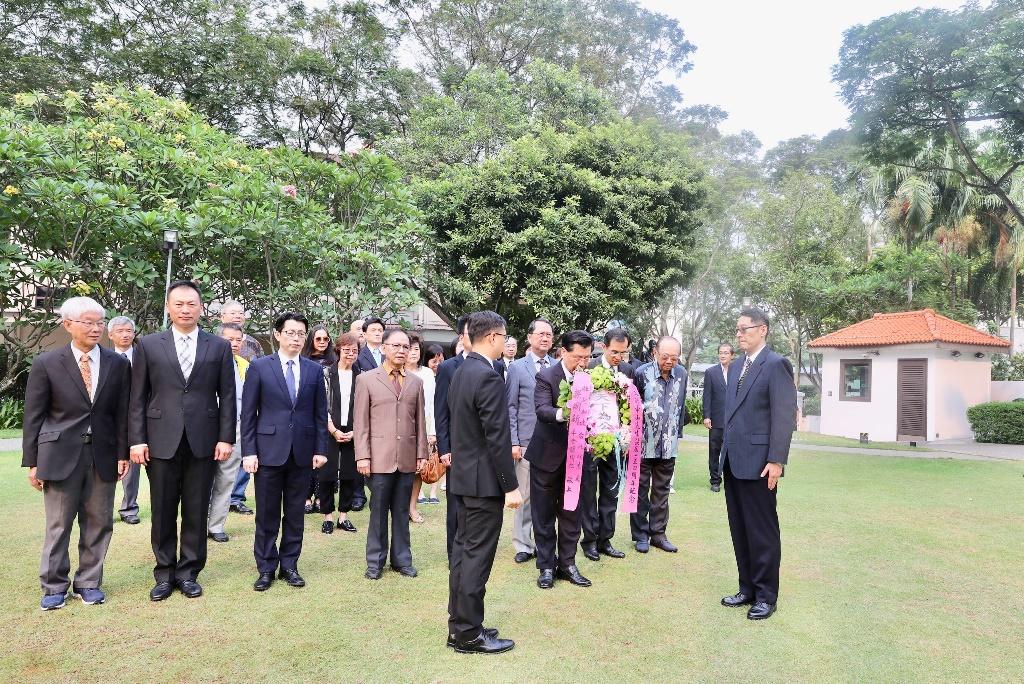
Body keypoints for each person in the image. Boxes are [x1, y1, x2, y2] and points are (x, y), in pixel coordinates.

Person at [23, 297, 131, 610]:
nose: (96, 328)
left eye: (100, 322)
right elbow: (34, 416)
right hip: (58, 455)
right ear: (68, 324)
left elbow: (121, 413)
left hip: (104, 454)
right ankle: (54, 586)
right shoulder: (47, 363)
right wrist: (32, 461)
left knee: (99, 521)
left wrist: (122, 452)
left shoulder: (117, 364)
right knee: (58, 524)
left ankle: (89, 583)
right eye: (88, 322)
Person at [130, 281, 236, 602]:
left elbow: (228, 396)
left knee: (195, 509)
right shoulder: (148, 345)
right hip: (160, 439)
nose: (185, 309)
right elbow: (137, 397)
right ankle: (164, 573)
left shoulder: (217, 346)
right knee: (162, 509)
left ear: (201, 308)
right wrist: (137, 440)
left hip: (203, 440)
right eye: (179, 304)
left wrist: (225, 437)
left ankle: (188, 572)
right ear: (168, 308)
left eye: (191, 304)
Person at [447, 311, 522, 654]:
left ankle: (460, 625)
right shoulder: (487, 376)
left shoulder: (461, 370)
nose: (505, 343)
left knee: (464, 554)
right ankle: (468, 634)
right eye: (504, 337)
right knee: (476, 557)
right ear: (492, 337)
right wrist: (510, 485)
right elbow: (496, 436)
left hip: (463, 478)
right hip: (482, 483)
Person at [241, 312, 329, 591]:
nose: (296, 338)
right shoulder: (260, 368)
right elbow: (248, 414)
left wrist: (321, 448)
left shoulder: (314, 370)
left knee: (295, 512)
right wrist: (249, 452)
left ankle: (289, 565)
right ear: (278, 335)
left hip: (302, 452)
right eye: (290, 332)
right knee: (266, 513)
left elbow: (319, 414)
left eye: (301, 333)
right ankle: (266, 567)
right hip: (268, 452)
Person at [720, 308, 796, 621]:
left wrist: (776, 460)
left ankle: (766, 595)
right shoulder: (737, 365)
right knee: (739, 528)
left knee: (762, 530)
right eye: (736, 330)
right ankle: (747, 587)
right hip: (734, 461)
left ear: (762, 330)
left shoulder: (776, 365)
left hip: (760, 464)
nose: (739, 335)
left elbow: (783, 416)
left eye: (744, 329)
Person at [354, 329, 428, 580]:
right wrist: (362, 456)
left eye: (406, 347)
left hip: (407, 458)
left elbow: (420, 422)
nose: (401, 351)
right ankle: (375, 562)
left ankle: (402, 560)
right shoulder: (366, 379)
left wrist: (422, 454)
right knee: (377, 513)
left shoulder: (416, 383)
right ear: (383, 348)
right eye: (396, 346)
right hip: (378, 459)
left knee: (401, 511)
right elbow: (361, 422)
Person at [525, 330, 594, 590]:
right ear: (563, 352)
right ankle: (545, 566)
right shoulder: (546, 376)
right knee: (542, 515)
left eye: (587, 357)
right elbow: (542, 410)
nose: (583, 362)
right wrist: (568, 412)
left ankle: (568, 563)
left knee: (572, 514)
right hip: (546, 457)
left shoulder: (592, 378)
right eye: (578, 356)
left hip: (578, 460)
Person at [580, 327, 634, 561]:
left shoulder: (627, 370)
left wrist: (627, 436)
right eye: (614, 352)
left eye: (623, 353)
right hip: (591, 442)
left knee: (611, 491)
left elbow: (631, 407)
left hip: (616, 441)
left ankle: (606, 538)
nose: (618, 357)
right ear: (603, 346)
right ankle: (589, 540)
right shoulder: (588, 368)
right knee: (589, 492)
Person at [630, 336, 688, 554]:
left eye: (674, 358)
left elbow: (681, 407)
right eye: (665, 357)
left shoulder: (682, 374)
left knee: (662, 491)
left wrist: (677, 435)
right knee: (640, 490)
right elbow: (631, 407)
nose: (669, 362)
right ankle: (640, 535)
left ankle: (658, 534)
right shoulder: (641, 373)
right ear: (655, 353)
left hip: (669, 444)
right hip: (643, 444)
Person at [504, 318, 555, 564]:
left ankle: (545, 540)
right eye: (541, 334)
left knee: (548, 495)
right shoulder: (517, 368)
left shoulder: (558, 366)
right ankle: (523, 544)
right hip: (526, 440)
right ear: (529, 337)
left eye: (549, 334)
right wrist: (513, 441)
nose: (545, 338)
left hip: (553, 441)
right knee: (524, 495)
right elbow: (510, 406)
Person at [206, 323, 249, 543]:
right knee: (202, 480)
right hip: (207, 428)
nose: (234, 344)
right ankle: (197, 523)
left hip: (236, 428)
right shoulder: (207, 362)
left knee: (226, 478)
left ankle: (216, 525)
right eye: (229, 339)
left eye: (238, 339)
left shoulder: (244, 364)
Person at [435, 314, 472, 558]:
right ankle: (454, 553)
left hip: (483, 450)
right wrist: (444, 448)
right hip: (456, 448)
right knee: (456, 505)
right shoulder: (449, 367)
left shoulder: (496, 365)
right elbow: (441, 411)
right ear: (462, 337)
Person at [221, 301, 262, 515]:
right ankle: (216, 499)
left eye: (240, 313)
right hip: (218, 415)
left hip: (245, 413)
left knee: (244, 455)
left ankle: (236, 497)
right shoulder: (211, 344)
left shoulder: (253, 344)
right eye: (232, 313)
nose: (237, 316)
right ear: (221, 317)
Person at [319, 333, 361, 534]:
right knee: (326, 474)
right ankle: (327, 516)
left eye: (354, 351)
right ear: (338, 351)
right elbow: (321, 406)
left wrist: (356, 431)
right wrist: (333, 430)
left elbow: (365, 408)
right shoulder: (326, 374)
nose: (350, 354)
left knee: (349, 474)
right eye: (346, 350)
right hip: (330, 429)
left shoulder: (361, 376)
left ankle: (343, 516)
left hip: (353, 430)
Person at [108, 315, 142, 525]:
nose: (125, 334)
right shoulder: (104, 358)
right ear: (110, 335)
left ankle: (129, 508)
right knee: (105, 466)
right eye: (120, 331)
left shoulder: (142, 357)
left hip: (136, 420)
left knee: (132, 466)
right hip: (110, 421)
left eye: (129, 330)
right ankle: (103, 508)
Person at [301, 324, 336, 514]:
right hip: (307, 414)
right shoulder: (303, 360)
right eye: (318, 339)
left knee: (325, 458)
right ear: (311, 340)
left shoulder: (334, 361)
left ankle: (321, 497)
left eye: (325, 339)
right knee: (308, 458)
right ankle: (306, 496)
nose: (322, 342)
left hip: (329, 414)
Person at [406, 332, 437, 523]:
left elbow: (432, 403)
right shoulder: (396, 371)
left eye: (416, 349)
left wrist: (432, 432)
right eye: (410, 348)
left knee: (419, 469)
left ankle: (412, 507)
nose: (413, 352)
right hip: (401, 429)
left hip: (423, 427)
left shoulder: (427, 373)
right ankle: (400, 508)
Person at [702, 342, 735, 492]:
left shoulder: (739, 371)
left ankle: (732, 479)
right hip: (716, 419)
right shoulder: (711, 372)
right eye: (721, 352)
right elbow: (707, 396)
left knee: (732, 451)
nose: (723, 355)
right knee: (714, 451)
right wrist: (707, 416)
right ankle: (715, 481)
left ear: (732, 355)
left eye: (726, 353)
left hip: (734, 420)